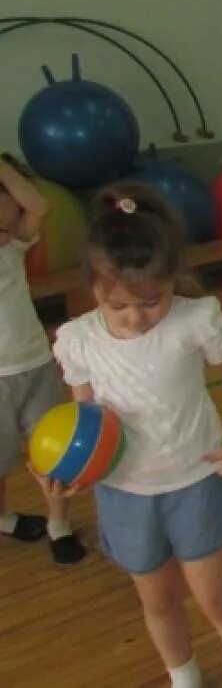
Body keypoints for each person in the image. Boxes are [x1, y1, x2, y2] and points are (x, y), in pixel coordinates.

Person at [52, 183, 222, 688]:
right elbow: (85, 418)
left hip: (196, 482)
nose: (135, 319)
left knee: (216, 598)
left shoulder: (195, 321)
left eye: (152, 302)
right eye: (118, 305)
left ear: (173, 280)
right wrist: (74, 469)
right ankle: (184, 677)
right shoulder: (78, 340)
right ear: (94, 289)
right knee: (158, 599)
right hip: (126, 493)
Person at [0, 155, 87, 565]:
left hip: (34, 367)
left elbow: (37, 205)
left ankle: (59, 524)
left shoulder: (13, 249)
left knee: (53, 452)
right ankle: (3, 518)